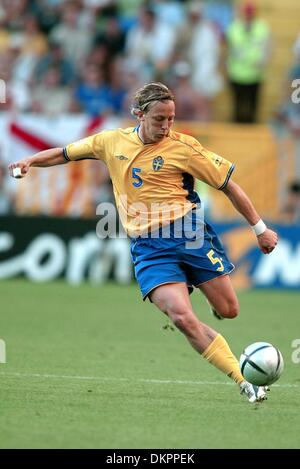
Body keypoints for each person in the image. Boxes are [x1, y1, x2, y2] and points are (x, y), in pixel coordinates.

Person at [9, 82, 278, 403]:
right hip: (148, 247)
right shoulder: (111, 141)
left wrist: (259, 228)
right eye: (159, 119)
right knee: (181, 318)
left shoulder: (184, 147)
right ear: (139, 115)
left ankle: (203, 287)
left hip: (189, 235)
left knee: (229, 310)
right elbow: (65, 153)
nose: (166, 126)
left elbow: (229, 185)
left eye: (171, 119)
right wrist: (30, 162)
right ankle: (242, 380)